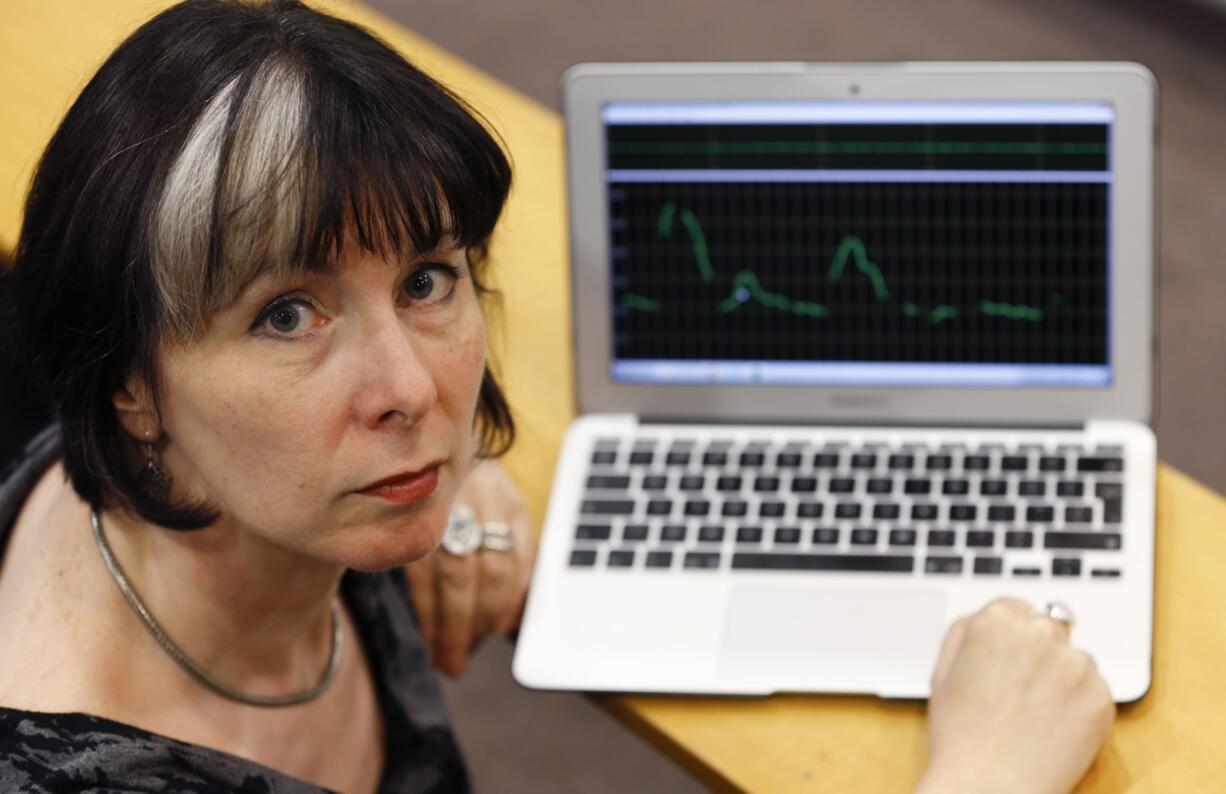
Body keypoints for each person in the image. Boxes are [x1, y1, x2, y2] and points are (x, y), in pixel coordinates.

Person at [0, 1, 1113, 792]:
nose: (413, 392)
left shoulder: (251, 491)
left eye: (426, 279)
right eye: (288, 314)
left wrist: (468, 485)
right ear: (133, 389)